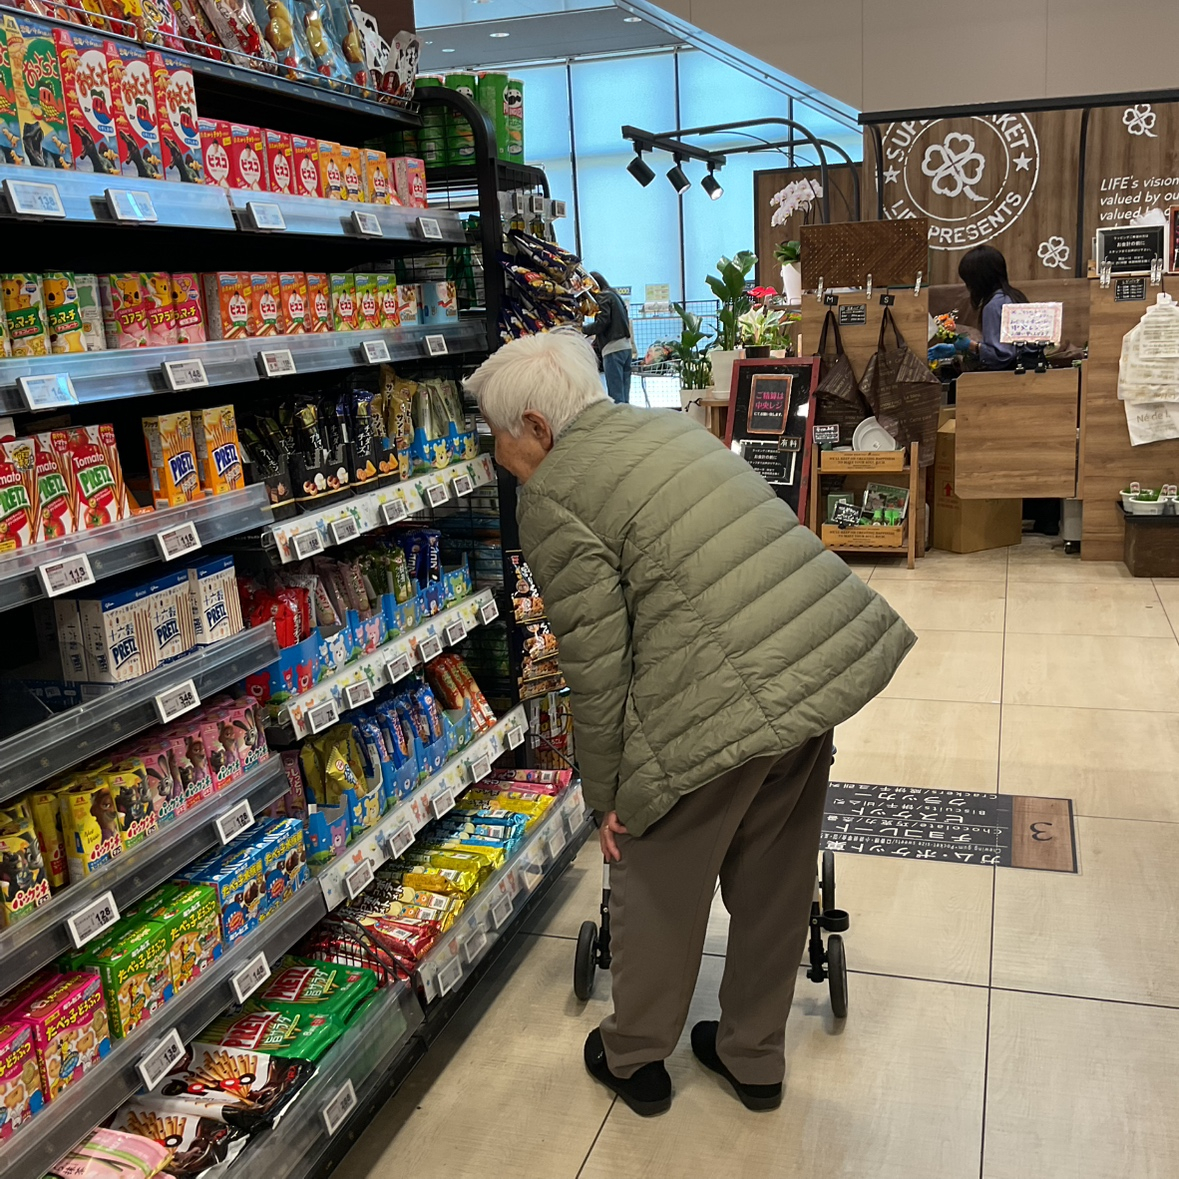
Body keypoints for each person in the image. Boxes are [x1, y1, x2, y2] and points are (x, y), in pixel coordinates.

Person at [464, 330, 914, 1117]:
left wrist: (609, 797)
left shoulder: (554, 493)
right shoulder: (666, 427)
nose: (494, 454)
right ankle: (753, 1057)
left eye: (495, 435)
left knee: (657, 879)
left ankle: (634, 1054)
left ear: (536, 427)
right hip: (812, 665)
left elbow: (596, 661)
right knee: (775, 883)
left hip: (714, 699)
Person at [929, 244, 1028, 369]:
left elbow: (1001, 356)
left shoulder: (994, 306)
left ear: (978, 280)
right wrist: (957, 350)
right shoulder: (1015, 297)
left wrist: (970, 345)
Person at [584, 272, 634, 403]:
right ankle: (626, 416)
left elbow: (602, 323)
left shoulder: (602, 297)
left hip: (613, 349)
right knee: (624, 396)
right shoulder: (615, 295)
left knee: (615, 395)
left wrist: (582, 329)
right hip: (626, 348)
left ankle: (618, 417)